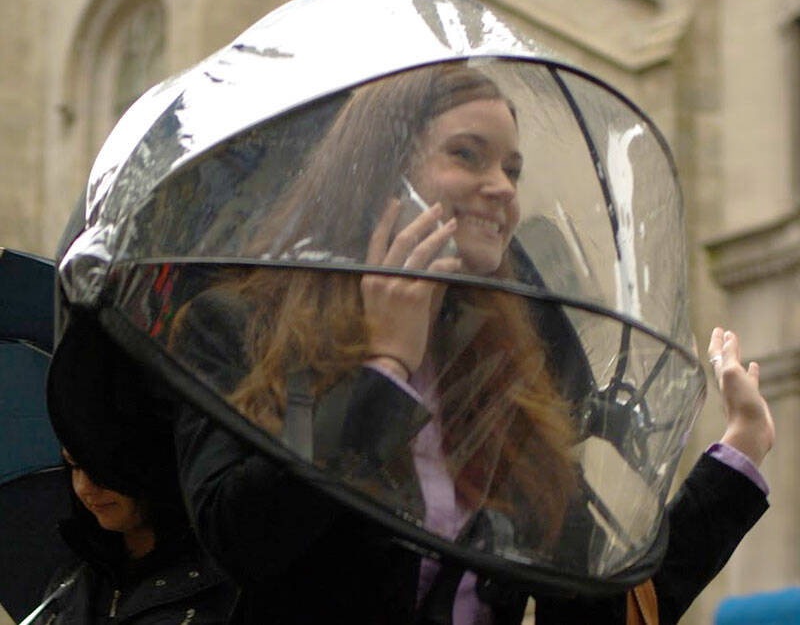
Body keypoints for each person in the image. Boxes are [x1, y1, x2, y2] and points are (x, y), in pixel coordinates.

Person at [170, 63, 773, 624]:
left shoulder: (503, 372)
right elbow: (244, 541)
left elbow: (600, 608)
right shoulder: (235, 327)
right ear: (382, 174)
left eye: (512, 169)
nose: (502, 189)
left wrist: (739, 454)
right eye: (467, 156)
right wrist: (383, 369)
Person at [33, 321, 238, 624]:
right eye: (74, 466)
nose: (84, 488)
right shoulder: (75, 578)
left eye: (104, 470)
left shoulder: (220, 591)